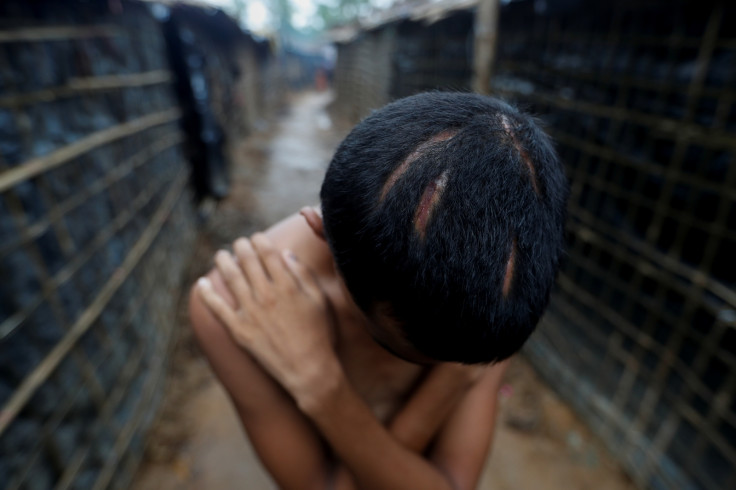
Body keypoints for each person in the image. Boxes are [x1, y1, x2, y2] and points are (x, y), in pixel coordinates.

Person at [189, 92, 568, 490]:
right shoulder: (231, 308)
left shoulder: (499, 285)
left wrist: (323, 389)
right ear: (323, 234)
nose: (456, 366)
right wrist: (448, 388)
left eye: (459, 361)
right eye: (394, 346)